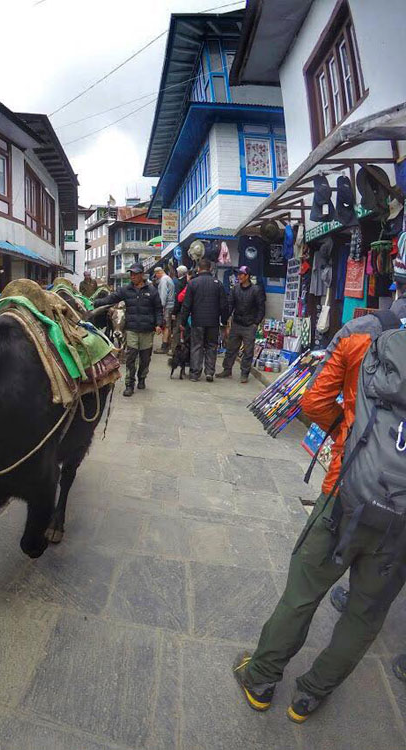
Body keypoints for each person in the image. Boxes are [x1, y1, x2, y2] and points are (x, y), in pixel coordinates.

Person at [233, 296, 406, 723]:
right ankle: (309, 696)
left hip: (344, 493)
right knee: (365, 615)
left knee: (303, 591)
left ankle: (261, 678)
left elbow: (312, 403)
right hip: (400, 524)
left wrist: (347, 434)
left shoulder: (361, 334)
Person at [93, 262, 162, 397]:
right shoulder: (126, 290)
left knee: (145, 358)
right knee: (130, 357)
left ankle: (142, 377)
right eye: (131, 274)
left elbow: (158, 309)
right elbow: (111, 298)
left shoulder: (152, 290)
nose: (132, 276)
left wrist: (159, 324)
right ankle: (129, 384)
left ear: (142, 275)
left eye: (135, 274)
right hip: (131, 329)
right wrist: (96, 302)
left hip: (147, 330)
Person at [180, 257, 229, 382]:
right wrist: (224, 320)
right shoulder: (218, 284)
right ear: (210, 268)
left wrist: (183, 322)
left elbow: (187, 304)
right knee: (211, 346)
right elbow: (224, 305)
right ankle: (209, 372)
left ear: (198, 268)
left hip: (197, 321)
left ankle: (195, 373)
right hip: (213, 321)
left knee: (196, 346)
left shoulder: (192, 283)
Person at [219, 265, 265, 383]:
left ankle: (244, 373)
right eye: (238, 274)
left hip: (250, 325)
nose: (239, 276)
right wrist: (225, 319)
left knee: (248, 351)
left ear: (247, 276)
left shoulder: (256, 290)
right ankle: (227, 369)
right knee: (231, 348)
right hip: (237, 323)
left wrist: (256, 323)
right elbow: (230, 305)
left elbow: (261, 308)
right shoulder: (235, 289)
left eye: (241, 274)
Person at [154, 267, 175, 353]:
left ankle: (164, 346)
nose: (156, 277)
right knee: (168, 325)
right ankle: (168, 344)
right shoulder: (169, 279)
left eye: (156, 275)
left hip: (166, 306)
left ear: (158, 273)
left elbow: (163, 294)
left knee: (166, 325)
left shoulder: (163, 280)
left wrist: (161, 306)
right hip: (171, 305)